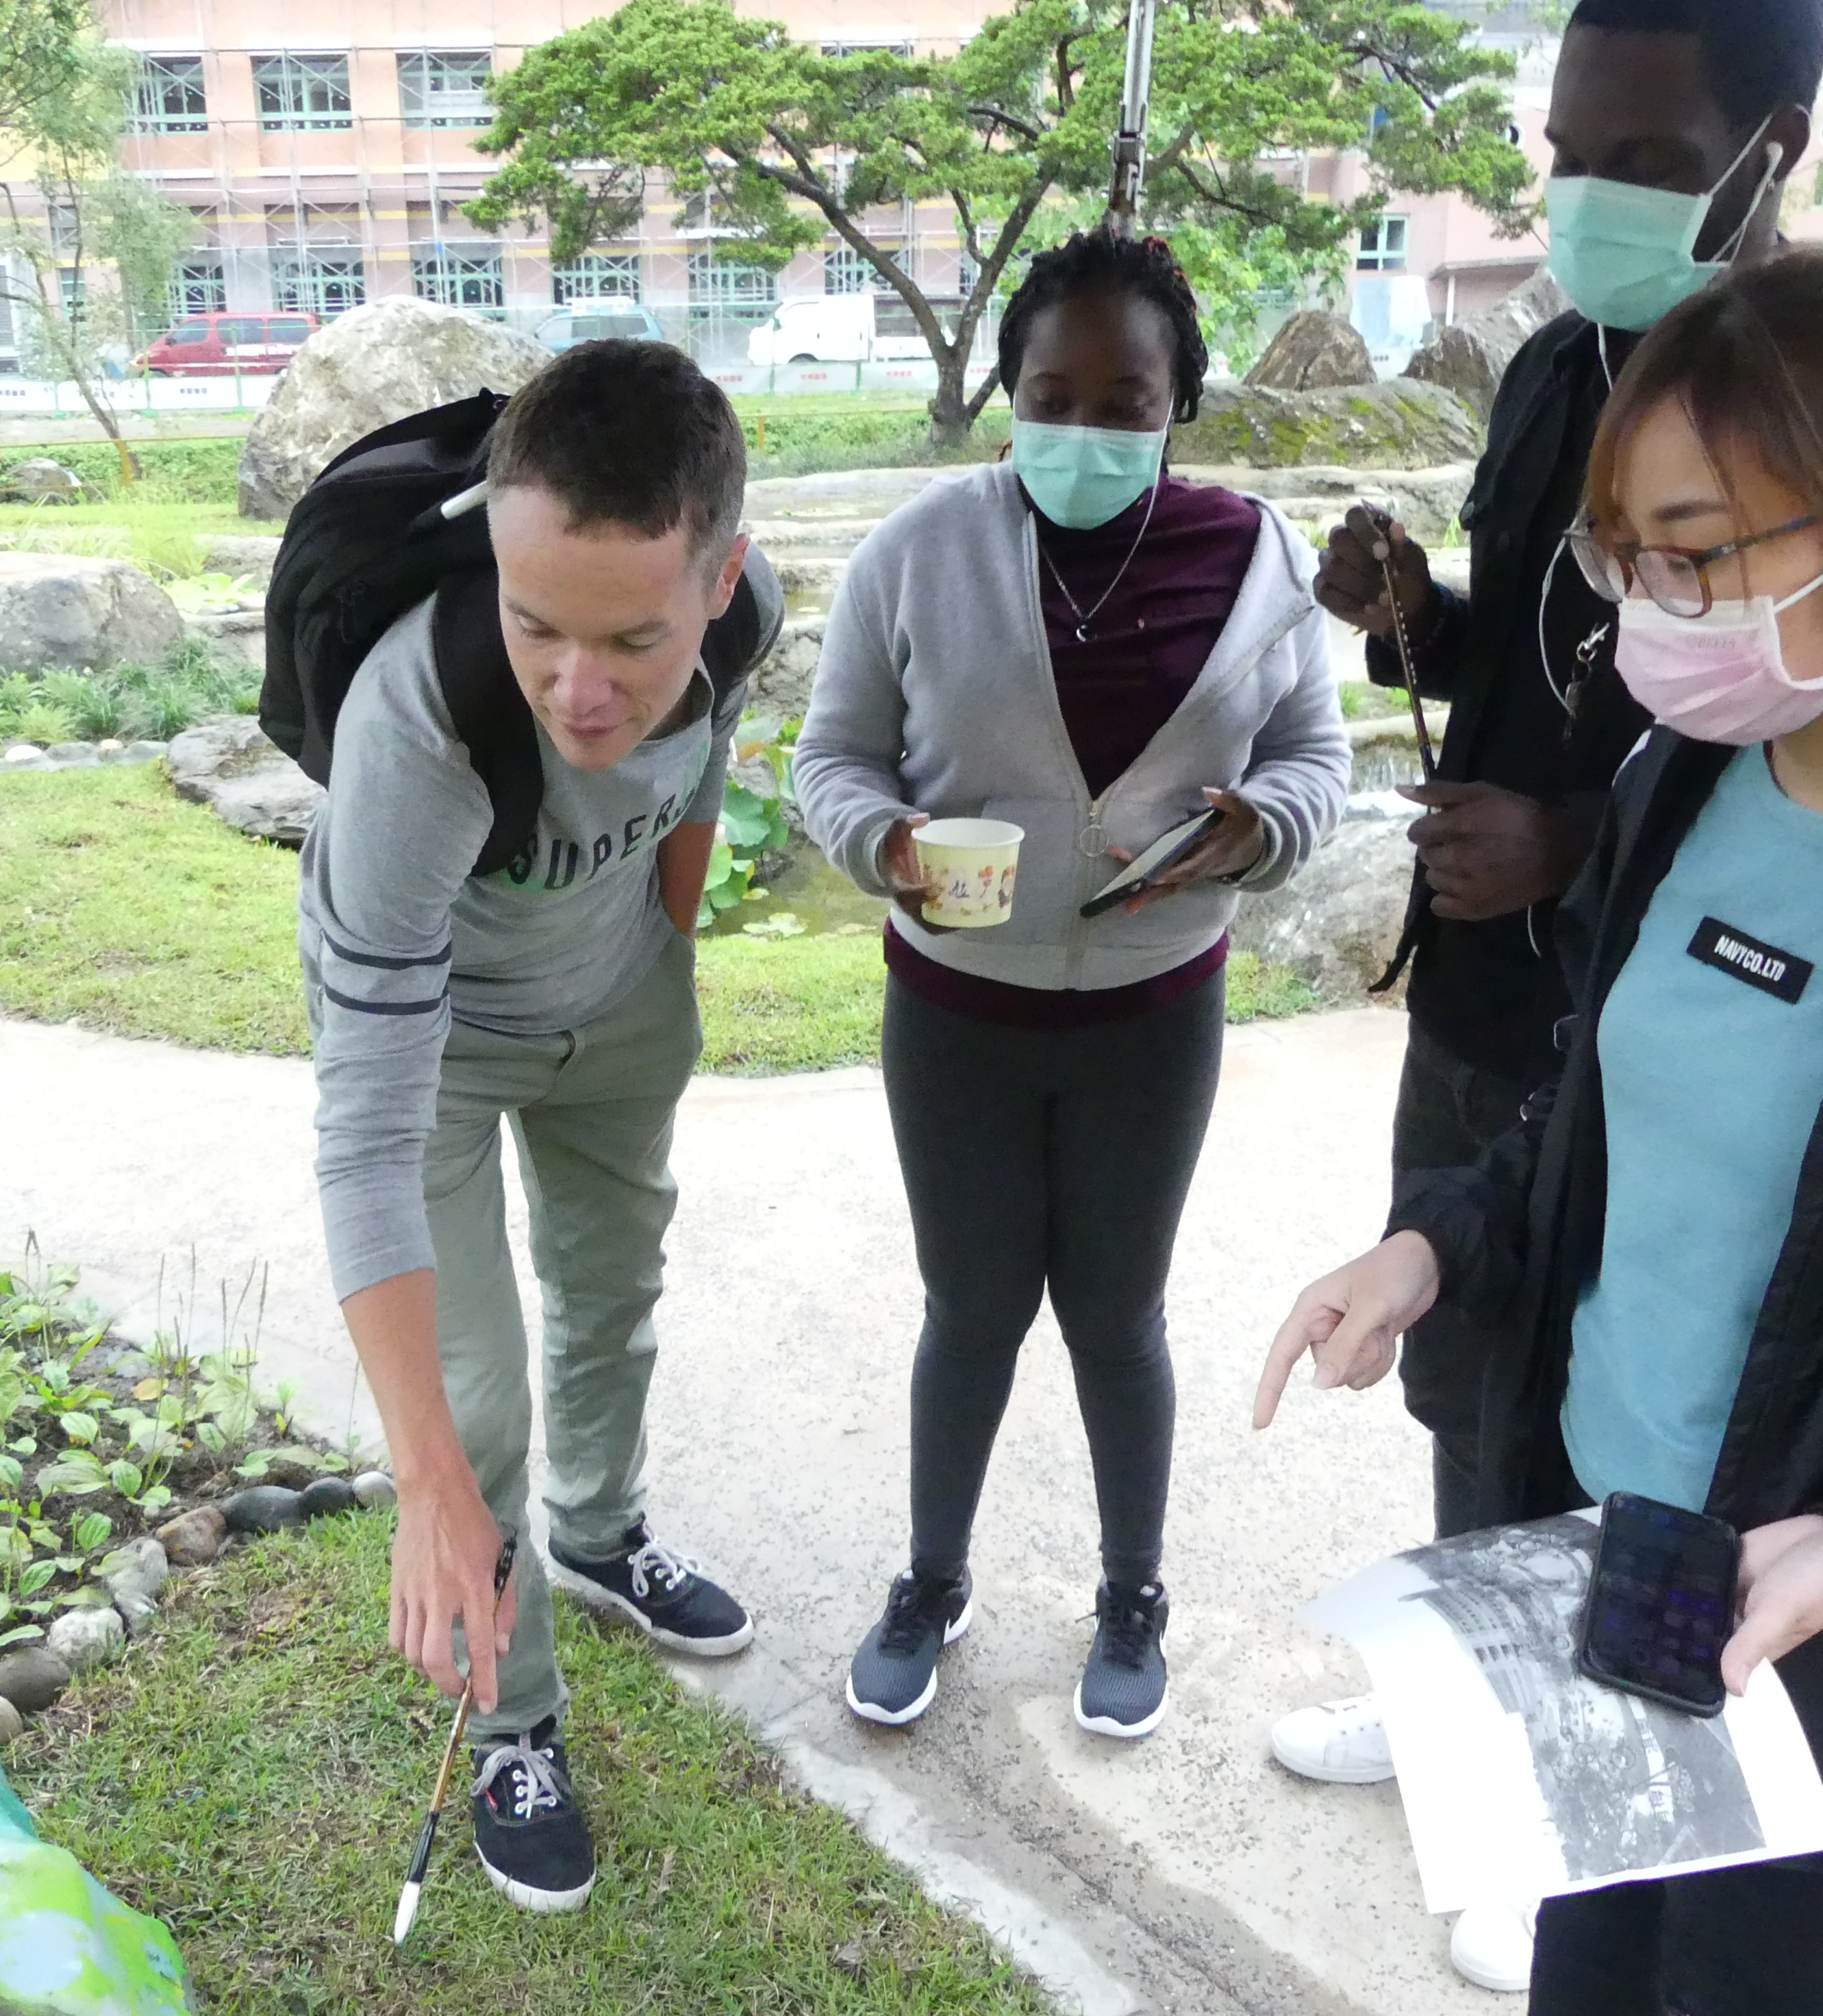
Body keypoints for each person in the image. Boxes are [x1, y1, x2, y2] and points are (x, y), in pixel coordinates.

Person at [1254, 242, 1823, 2016]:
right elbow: (1599, 1120)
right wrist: (1441, 1244)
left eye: (1701, 555)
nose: (1647, 607)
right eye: (1623, 552)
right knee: (1591, 1963)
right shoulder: (1681, 781)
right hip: (1610, 1549)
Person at [1281, 0, 1823, 1985]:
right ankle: (1469, 1705)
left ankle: (1573, 1807)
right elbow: (1524, 658)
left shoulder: (1816, 404)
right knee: (1468, 1350)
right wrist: (1408, 609)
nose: (1592, 195)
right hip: (1488, 988)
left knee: (1635, 1415)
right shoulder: (1551, 366)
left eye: (1647, 162)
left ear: (1774, 151)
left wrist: (1587, 842)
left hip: (1690, 1024)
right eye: (1568, 154)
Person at [796, 229, 1348, 1739]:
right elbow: (827, 756)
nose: (1087, 427)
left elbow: (1315, 752)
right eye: (1054, 392)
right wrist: (885, 844)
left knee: (1117, 1314)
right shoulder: (916, 550)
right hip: (955, 1012)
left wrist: (1264, 824)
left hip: (1152, 1014)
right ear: (1003, 393)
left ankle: (1130, 1594)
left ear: (1181, 401)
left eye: (1127, 397)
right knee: (968, 1307)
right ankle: (928, 1580)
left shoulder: (1255, 558)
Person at [301, 340, 770, 1914]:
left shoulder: (743, 631)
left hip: (621, 1008)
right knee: (475, 1404)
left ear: (719, 583)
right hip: (437, 1056)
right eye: (534, 625)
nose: (578, 691)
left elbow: (695, 777)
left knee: (613, 1290)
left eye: (631, 640)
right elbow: (361, 1134)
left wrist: (670, 950)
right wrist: (425, 1481)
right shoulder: (418, 726)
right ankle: (512, 1721)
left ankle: (602, 1532)